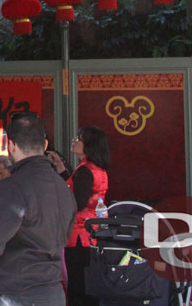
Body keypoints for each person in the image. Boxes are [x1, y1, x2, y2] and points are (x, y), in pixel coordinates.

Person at [0, 113, 76, 306]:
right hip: (54, 292)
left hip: (20, 294)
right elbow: (64, 236)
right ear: (45, 145)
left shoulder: (12, 187)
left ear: (11, 145)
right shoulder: (62, 187)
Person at [58, 125, 111, 306]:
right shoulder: (97, 169)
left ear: (89, 145)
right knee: (89, 285)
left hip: (79, 235)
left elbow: (77, 202)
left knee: (78, 285)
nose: (74, 140)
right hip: (93, 234)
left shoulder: (84, 170)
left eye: (79, 138)